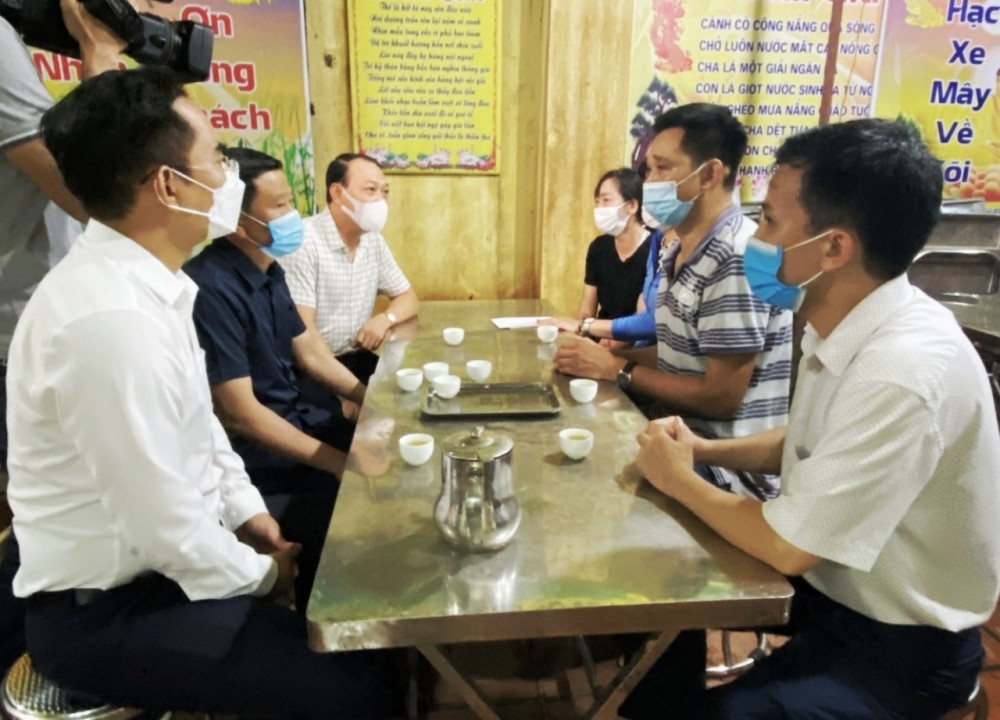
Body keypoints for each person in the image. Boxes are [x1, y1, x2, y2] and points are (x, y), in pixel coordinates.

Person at [6, 66, 399, 717]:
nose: (227, 178)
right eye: (216, 159)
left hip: (168, 563)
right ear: (168, 184)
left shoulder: (153, 286)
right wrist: (264, 574)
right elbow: (165, 526)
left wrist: (250, 515)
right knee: (357, 682)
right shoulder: (109, 322)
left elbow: (204, 433)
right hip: (109, 610)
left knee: (355, 582)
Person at [634, 118, 1000, 719]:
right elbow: (807, 443)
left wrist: (679, 479)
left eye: (770, 221)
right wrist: (701, 451)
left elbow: (789, 546)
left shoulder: (902, 368)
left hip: (904, 646)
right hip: (837, 592)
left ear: (833, 248)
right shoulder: (840, 320)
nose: (755, 238)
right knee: (662, 583)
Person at [0, 0, 173, 671]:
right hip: (21, 325)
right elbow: (95, 191)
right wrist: (99, 55)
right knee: (60, 522)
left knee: (49, 519)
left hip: (33, 314)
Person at [554, 103, 792, 501]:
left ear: (709, 175)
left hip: (724, 471)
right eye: (648, 170)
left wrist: (618, 368)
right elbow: (680, 355)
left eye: (662, 168)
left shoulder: (737, 256)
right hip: (673, 439)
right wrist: (603, 354)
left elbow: (720, 398)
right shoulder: (677, 250)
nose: (649, 182)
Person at [184, 146, 368, 602]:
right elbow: (240, 414)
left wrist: (374, 400)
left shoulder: (269, 270)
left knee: (390, 458)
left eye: (292, 202)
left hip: (300, 424)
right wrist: (337, 463)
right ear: (238, 220)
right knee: (360, 526)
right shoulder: (210, 288)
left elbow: (311, 352)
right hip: (262, 463)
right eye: (281, 206)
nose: (294, 217)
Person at [280, 152, 419, 383]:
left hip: (355, 358)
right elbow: (306, 343)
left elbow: (408, 298)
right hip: (310, 369)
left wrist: (385, 318)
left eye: (385, 192)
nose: (380, 201)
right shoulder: (304, 243)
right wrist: (358, 396)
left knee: (412, 388)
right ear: (337, 193)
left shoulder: (373, 240)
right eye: (370, 190)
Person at [542, 168, 660, 348]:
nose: (599, 209)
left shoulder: (654, 248)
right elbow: (586, 310)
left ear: (632, 206)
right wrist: (580, 335)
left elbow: (642, 319)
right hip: (598, 338)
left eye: (606, 200)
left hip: (635, 347)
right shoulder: (599, 248)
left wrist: (616, 342)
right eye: (597, 202)